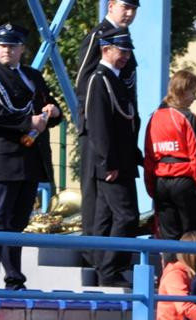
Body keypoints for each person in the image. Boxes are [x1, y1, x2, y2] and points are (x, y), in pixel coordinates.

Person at [0, 23, 63, 291]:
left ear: (22, 49)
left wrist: (52, 112)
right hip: (2, 160)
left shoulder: (32, 77)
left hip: (29, 161)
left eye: (12, 46)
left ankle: (14, 279)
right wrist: (28, 122)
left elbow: (47, 108)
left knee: (18, 223)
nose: (6, 50)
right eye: (2, 45)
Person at [81, 27, 141, 288]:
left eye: (127, 50)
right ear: (106, 50)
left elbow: (127, 121)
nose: (126, 56)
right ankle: (109, 268)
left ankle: (104, 267)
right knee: (127, 216)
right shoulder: (100, 79)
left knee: (105, 219)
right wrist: (108, 163)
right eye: (121, 50)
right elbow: (99, 126)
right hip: (112, 164)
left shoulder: (117, 78)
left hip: (123, 161)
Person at [75, 0, 139, 239]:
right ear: (111, 6)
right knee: (95, 196)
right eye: (126, 7)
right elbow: (85, 83)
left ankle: (104, 257)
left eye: (133, 9)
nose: (130, 13)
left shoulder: (123, 39)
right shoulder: (100, 36)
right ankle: (93, 252)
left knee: (109, 204)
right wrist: (92, 120)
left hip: (119, 127)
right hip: (99, 127)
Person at [143, 69, 196, 242]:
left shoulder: (155, 117)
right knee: (192, 235)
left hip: (161, 184)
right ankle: (190, 269)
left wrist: (152, 188)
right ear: (182, 91)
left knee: (168, 237)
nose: (195, 98)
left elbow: (149, 156)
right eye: (193, 92)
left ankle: (170, 269)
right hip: (184, 181)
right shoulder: (187, 117)